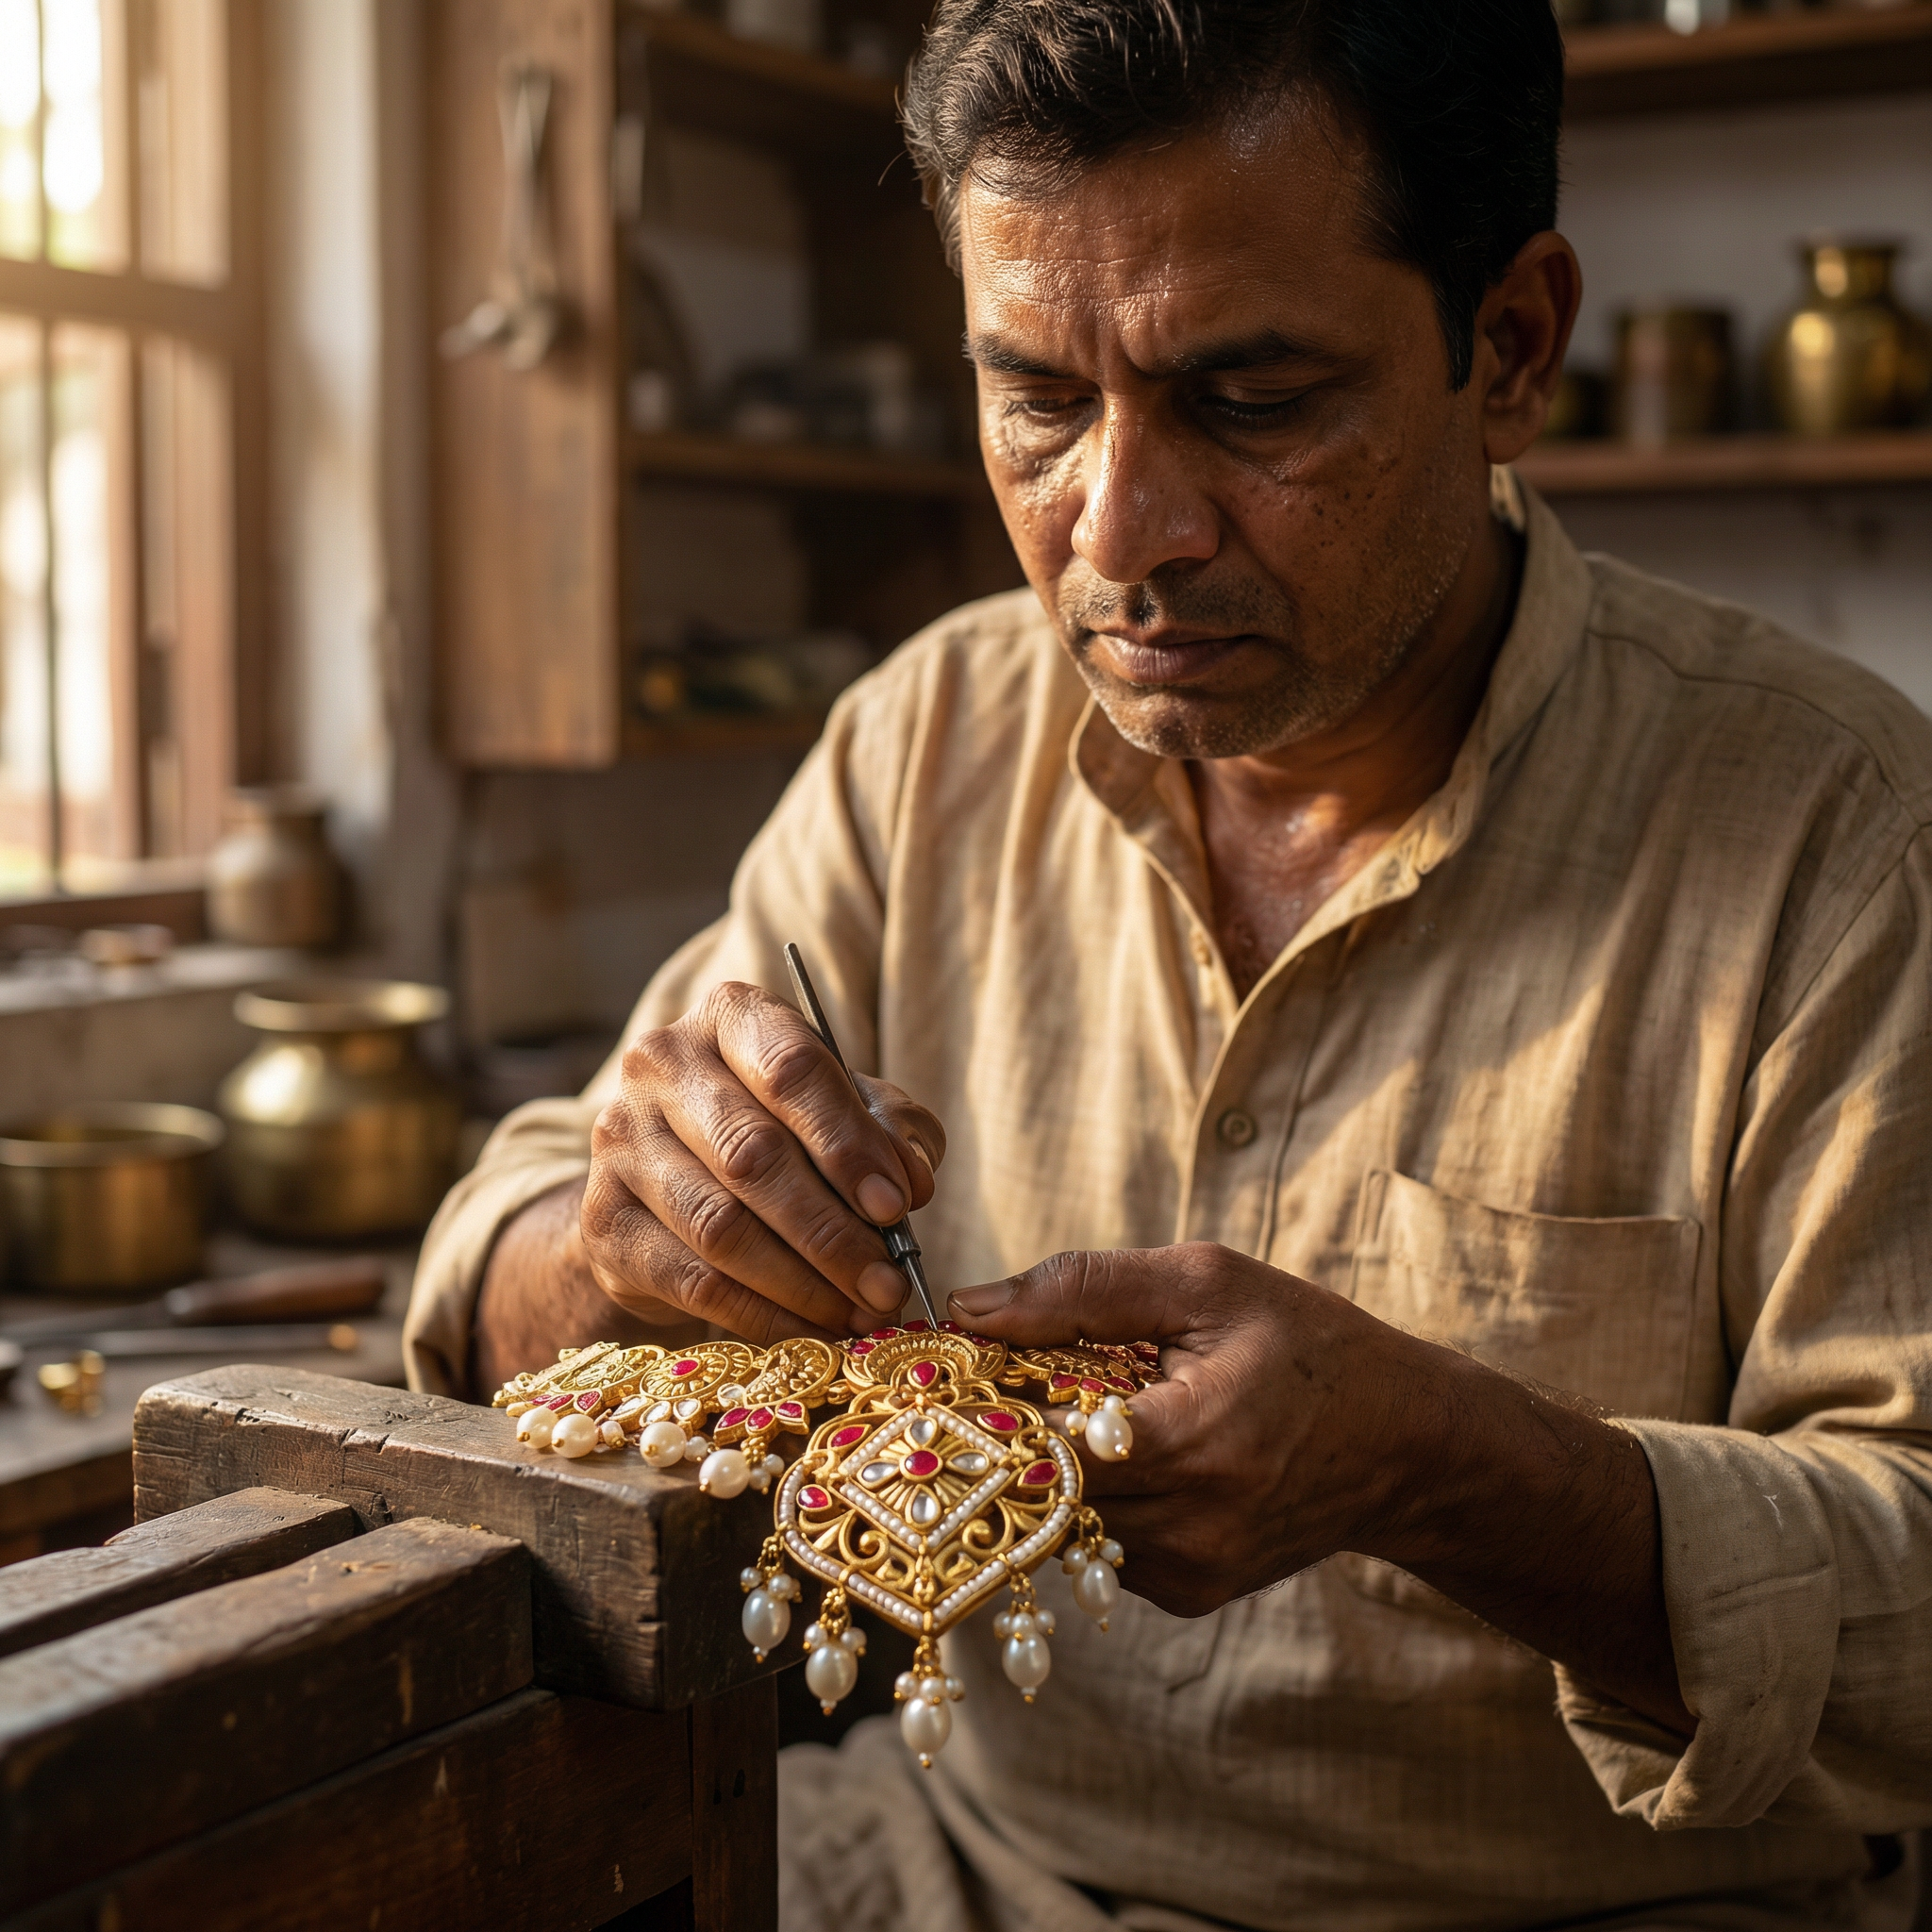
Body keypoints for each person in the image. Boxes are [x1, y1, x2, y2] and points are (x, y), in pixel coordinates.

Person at [405, 1, 1932, 1924]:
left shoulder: (1843, 836)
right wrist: (612, 1252)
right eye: (1035, 399)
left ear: (1512, 347)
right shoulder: (927, 742)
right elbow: (494, 1270)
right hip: (968, 1869)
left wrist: (1454, 1471)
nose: (1117, 534)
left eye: (1254, 399)